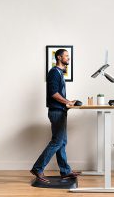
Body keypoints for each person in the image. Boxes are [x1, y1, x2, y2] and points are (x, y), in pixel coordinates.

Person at [30, 49, 80, 183]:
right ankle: (37, 168)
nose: (68, 58)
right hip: (56, 111)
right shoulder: (54, 73)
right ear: (59, 57)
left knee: (62, 142)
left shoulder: (59, 73)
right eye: (66, 56)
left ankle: (65, 171)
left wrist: (68, 102)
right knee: (57, 141)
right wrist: (68, 102)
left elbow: (59, 94)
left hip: (61, 110)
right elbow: (53, 93)